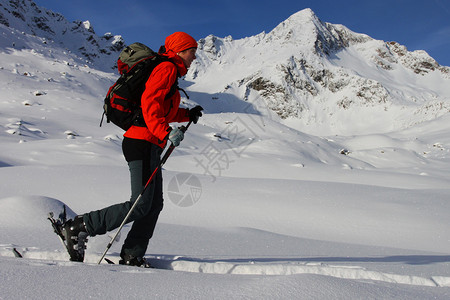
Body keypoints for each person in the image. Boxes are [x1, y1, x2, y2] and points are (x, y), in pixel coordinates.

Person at [62, 32, 203, 267]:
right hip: (142, 142)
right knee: (140, 204)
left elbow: (161, 110)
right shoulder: (166, 68)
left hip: (149, 143)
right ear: (180, 50)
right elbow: (150, 104)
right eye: (192, 52)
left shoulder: (169, 70)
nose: (194, 57)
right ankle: (78, 227)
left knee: (152, 204)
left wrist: (186, 114)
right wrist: (166, 133)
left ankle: (132, 254)